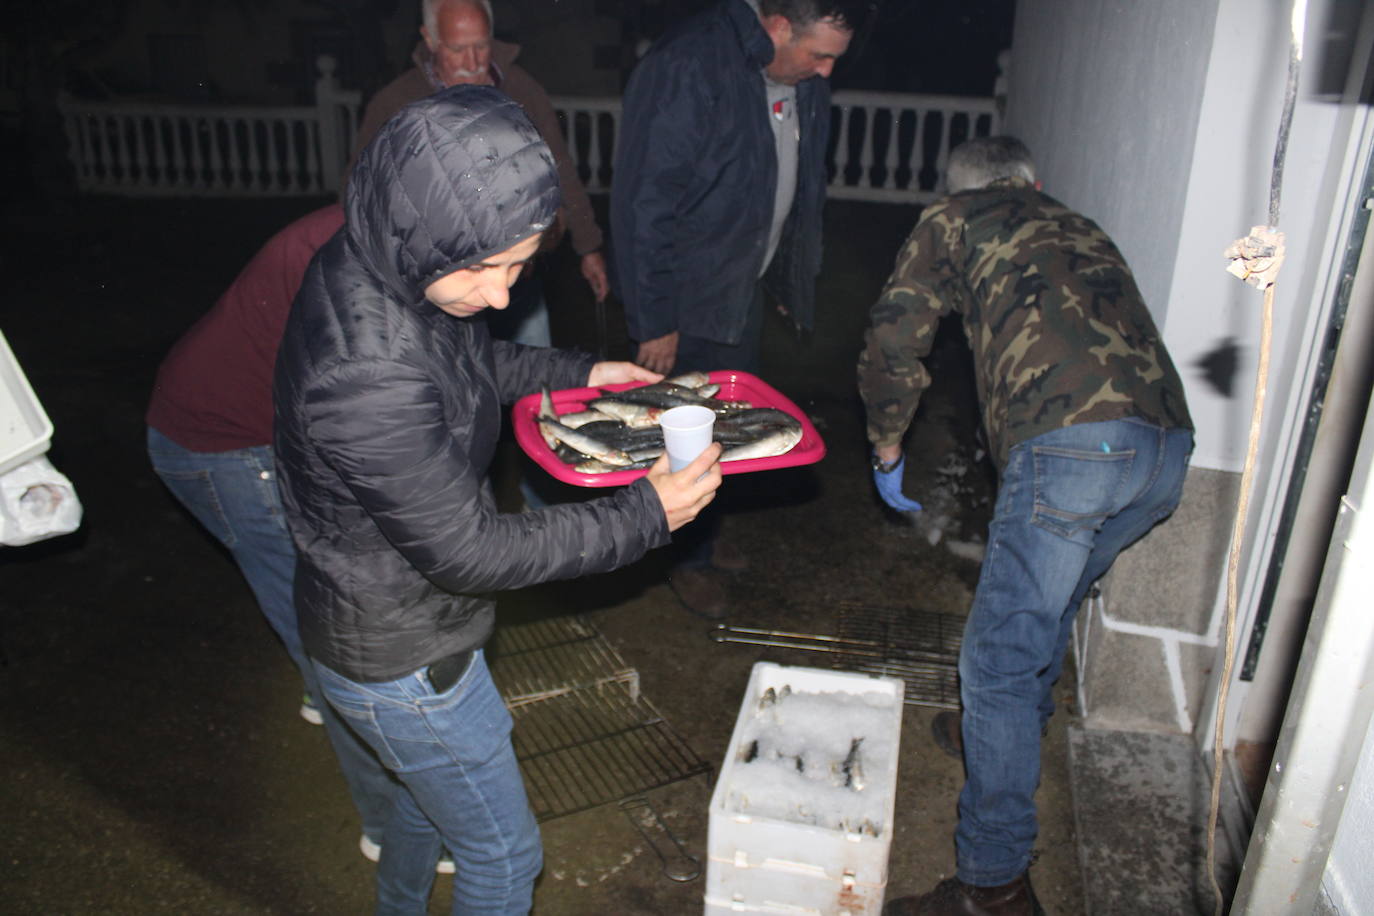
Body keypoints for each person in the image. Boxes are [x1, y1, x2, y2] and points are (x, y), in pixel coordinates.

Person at [273, 85, 722, 915]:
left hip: (386, 621)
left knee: (421, 809)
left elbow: (462, 369)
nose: (506, 296)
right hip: (406, 653)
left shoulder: (390, 260)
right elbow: (468, 549)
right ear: (432, 238)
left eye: (518, 265)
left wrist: (579, 373)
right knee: (505, 858)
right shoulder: (365, 372)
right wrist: (644, 515)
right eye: (487, 268)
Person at [858, 137, 1193, 915]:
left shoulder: (951, 217)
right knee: (1047, 612)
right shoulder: (1079, 224)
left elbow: (894, 337)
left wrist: (885, 440)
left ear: (957, 191)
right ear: (1033, 183)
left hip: (1072, 444)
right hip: (1165, 452)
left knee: (999, 661)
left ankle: (992, 884)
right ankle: (998, 738)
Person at [145, 203, 409, 867]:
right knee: (333, 638)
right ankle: (389, 826)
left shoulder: (393, 223)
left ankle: (315, 683)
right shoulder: (352, 262)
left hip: (253, 421)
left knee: (323, 594)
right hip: (224, 446)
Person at [609, 0, 868, 617]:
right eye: (820, 55)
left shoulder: (797, 80)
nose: (828, 72)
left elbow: (794, 184)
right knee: (679, 438)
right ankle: (680, 558)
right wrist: (655, 319)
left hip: (736, 291)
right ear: (776, 27)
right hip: (685, 301)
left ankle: (704, 534)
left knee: (724, 427)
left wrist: (784, 275)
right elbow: (643, 199)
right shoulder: (690, 65)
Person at [349, 0, 609, 347]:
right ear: (429, 38)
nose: (473, 63)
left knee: (531, 373)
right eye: (458, 49)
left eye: (482, 46)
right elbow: (360, 198)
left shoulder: (522, 89)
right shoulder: (394, 102)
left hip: (517, 282)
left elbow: (561, 170)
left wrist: (588, 247)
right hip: (436, 289)